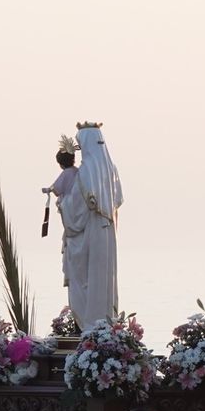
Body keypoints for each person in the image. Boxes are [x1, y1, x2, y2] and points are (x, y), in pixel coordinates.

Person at [54, 122, 122, 327]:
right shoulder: (111, 170)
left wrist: (61, 203)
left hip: (90, 234)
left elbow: (74, 212)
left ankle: (90, 325)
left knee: (86, 278)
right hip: (108, 233)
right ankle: (105, 325)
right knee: (104, 278)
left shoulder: (85, 173)